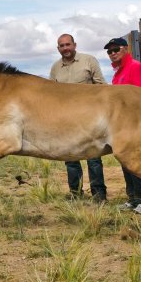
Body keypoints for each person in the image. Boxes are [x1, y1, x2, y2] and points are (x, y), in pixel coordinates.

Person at [49, 33, 108, 202]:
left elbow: (102, 86)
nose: (65, 48)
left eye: (68, 44)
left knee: (93, 157)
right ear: (58, 48)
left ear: (74, 45)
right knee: (71, 158)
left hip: (89, 118)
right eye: (62, 46)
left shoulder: (89, 60)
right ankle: (75, 193)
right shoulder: (55, 68)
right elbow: (51, 94)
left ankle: (99, 195)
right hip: (66, 120)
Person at [104, 37, 141, 215]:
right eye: (109, 52)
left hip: (133, 122)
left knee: (136, 161)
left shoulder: (134, 66)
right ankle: (132, 198)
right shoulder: (117, 72)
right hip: (121, 124)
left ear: (125, 49)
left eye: (116, 49)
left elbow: (137, 95)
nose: (112, 53)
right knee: (125, 161)